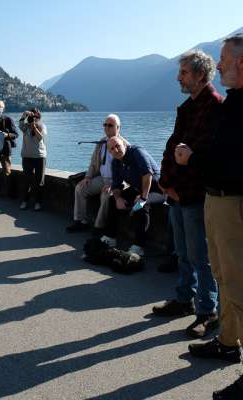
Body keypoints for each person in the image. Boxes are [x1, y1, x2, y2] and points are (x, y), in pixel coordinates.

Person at [175, 34, 243, 399]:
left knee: (238, 283)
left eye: (224, 60)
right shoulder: (232, 103)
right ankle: (229, 342)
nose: (220, 66)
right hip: (216, 199)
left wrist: (193, 158)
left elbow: (233, 162)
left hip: (233, 203)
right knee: (222, 275)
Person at [152, 50, 222, 339]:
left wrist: (178, 187)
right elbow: (173, 149)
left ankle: (208, 311)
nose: (178, 77)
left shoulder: (216, 107)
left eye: (183, 72)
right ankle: (185, 299)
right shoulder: (187, 108)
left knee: (200, 256)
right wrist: (166, 184)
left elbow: (206, 155)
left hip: (195, 196)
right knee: (183, 251)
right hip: (177, 193)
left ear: (200, 75)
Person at [102, 136, 164, 257]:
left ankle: (138, 246)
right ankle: (110, 237)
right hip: (138, 188)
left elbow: (148, 174)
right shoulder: (116, 162)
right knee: (111, 200)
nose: (115, 150)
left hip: (158, 190)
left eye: (117, 146)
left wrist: (143, 198)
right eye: (112, 149)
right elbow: (116, 184)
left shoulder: (137, 152)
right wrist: (118, 198)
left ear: (124, 145)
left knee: (140, 205)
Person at [67, 114, 121, 234]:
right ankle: (80, 221)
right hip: (101, 178)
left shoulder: (123, 145)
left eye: (110, 125)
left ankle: (99, 227)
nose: (107, 127)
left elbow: (124, 170)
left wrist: (113, 184)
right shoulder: (101, 142)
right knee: (80, 188)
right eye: (105, 125)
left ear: (118, 128)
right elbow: (93, 162)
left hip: (114, 181)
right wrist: (88, 176)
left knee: (106, 197)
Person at [19, 108, 47, 211]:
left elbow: (40, 138)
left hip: (39, 156)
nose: (33, 119)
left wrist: (34, 128)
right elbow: (20, 125)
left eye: (35, 117)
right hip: (27, 156)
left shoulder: (42, 126)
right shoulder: (25, 127)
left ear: (39, 117)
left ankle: (38, 202)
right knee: (27, 180)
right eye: (31, 117)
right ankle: (25, 201)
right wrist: (24, 115)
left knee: (39, 180)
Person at [0, 100, 18, 179]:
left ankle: (8, 190)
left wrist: (7, 135)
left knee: (7, 172)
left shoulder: (8, 119)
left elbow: (16, 134)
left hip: (5, 149)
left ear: (3, 108)